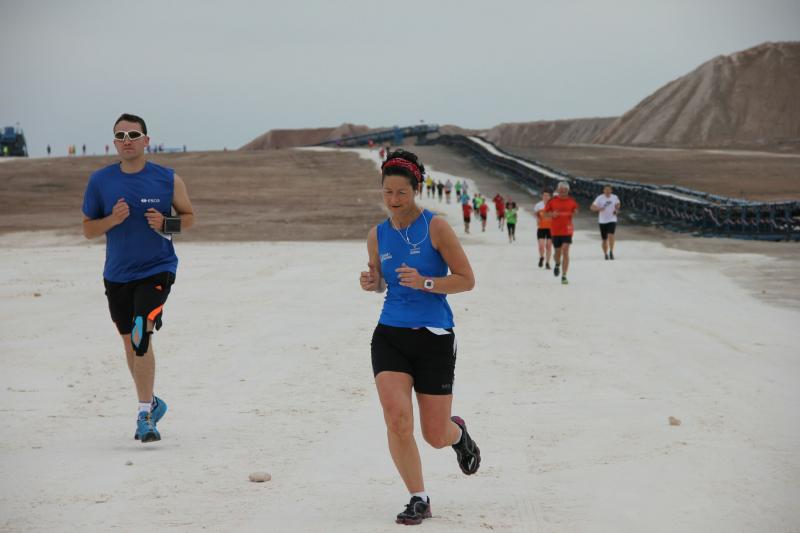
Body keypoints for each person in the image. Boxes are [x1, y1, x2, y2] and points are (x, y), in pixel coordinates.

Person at [359, 149, 481, 525]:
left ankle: (458, 435)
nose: (394, 199)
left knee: (435, 435)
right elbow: (383, 282)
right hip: (390, 335)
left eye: (401, 192)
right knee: (397, 418)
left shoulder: (436, 227)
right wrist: (372, 282)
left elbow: (466, 279)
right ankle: (418, 497)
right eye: (387, 192)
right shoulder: (377, 235)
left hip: (434, 337)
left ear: (416, 190)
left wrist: (426, 282)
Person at [81, 113, 195, 443]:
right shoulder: (100, 181)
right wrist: (112, 220)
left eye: (133, 135)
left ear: (146, 140)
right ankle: (153, 401)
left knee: (140, 333)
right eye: (120, 136)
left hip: (157, 268)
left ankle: (145, 415)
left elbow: (189, 218)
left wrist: (165, 224)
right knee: (130, 342)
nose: (127, 141)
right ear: (114, 143)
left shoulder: (167, 179)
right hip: (117, 274)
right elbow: (88, 229)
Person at [544, 182, 578, 285]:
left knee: (565, 250)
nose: (563, 192)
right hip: (555, 230)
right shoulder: (552, 201)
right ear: (558, 190)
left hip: (567, 230)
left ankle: (564, 276)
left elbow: (575, 210)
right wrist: (552, 214)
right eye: (561, 190)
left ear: (568, 191)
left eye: (565, 190)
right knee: (557, 253)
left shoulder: (572, 201)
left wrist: (575, 212)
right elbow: (545, 214)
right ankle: (557, 264)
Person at [590, 185, 621, 260]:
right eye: (606, 190)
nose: (607, 191)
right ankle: (605, 254)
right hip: (602, 221)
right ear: (603, 190)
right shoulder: (599, 198)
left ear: (611, 190)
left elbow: (618, 204)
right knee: (604, 239)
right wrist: (598, 209)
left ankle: (611, 251)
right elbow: (592, 207)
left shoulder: (614, 197)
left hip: (612, 219)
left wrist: (616, 210)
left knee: (611, 234)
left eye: (609, 190)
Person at [533, 191, 553, 269]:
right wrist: (538, 218)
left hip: (551, 229)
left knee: (548, 246)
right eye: (544, 195)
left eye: (547, 195)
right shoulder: (538, 205)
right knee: (541, 246)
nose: (546, 197)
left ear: (550, 197)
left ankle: (547, 263)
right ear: (542, 196)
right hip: (541, 228)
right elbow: (535, 214)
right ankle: (541, 257)